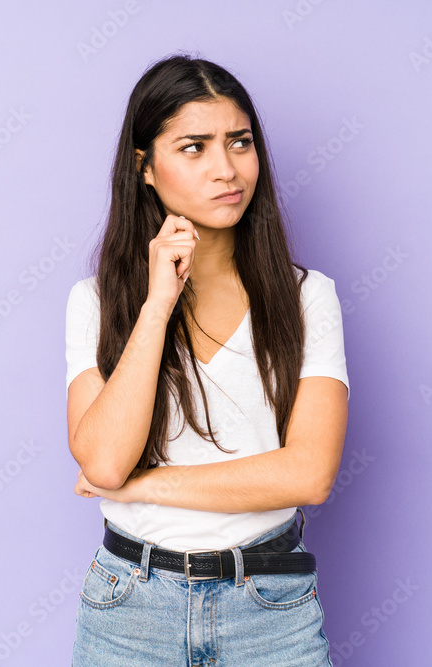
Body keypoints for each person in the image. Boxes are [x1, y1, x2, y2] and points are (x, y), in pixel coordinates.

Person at [65, 53, 350, 666]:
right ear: (145, 168)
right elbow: (103, 458)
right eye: (194, 147)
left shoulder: (307, 297)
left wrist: (145, 484)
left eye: (239, 143)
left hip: (270, 607)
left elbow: (308, 474)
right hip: (129, 610)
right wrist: (156, 304)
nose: (227, 169)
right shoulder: (96, 303)